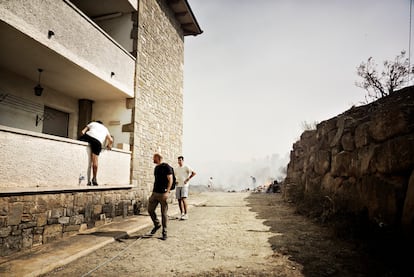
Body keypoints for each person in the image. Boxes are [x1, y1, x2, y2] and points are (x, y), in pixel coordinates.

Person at [80, 120, 113, 186]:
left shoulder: (93, 123)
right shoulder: (105, 129)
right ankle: (94, 178)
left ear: (97, 123)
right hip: (98, 142)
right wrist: (109, 145)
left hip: (88, 137)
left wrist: (81, 137)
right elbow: (111, 140)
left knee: (80, 139)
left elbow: (82, 132)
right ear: (102, 124)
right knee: (95, 161)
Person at [148, 153, 173, 240]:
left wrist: (167, 192)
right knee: (150, 210)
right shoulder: (156, 168)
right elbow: (156, 181)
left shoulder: (166, 167)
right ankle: (157, 224)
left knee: (164, 214)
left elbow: (170, 179)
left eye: (154, 158)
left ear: (158, 158)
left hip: (163, 194)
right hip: (155, 193)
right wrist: (152, 193)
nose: (153, 160)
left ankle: (164, 232)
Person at [174, 156, 196, 220]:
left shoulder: (186, 167)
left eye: (180, 160)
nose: (179, 161)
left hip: (184, 185)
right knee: (179, 200)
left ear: (183, 161)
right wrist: (175, 182)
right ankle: (182, 214)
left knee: (183, 199)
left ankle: (186, 214)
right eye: (178, 160)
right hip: (178, 186)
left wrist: (187, 179)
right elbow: (174, 176)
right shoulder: (176, 169)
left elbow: (194, 173)